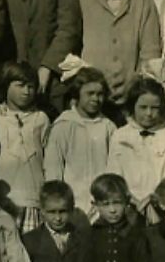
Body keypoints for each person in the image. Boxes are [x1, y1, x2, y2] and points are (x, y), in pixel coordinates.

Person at [76, 0, 162, 117]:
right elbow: (73, 45)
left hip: (129, 99)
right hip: (93, 98)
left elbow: (150, 50)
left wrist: (138, 85)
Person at [106, 78, 165, 222]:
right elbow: (114, 176)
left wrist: (157, 201)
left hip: (160, 208)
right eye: (143, 107)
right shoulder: (120, 135)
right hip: (129, 209)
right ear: (132, 106)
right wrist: (133, 202)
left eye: (154, 108)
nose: (149, 113)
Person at [42, 67, 115, 219]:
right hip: (72, 204)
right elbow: (53, 168)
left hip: (101, 205)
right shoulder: (64, 125)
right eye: (90, 94)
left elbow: (114, 167)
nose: (95, 99)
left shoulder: (108, 126)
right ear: (78, 94)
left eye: (100, 94)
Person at [0, 62, 52, 233]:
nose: (26, 92)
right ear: (6, 86)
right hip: (3, 199)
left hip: (31, 199)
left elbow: (48, 159)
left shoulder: (41, 119)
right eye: (20, 86)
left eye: (31, 87)